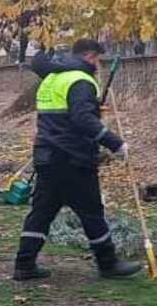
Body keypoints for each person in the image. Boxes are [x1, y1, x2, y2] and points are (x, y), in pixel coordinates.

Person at [13, 38, 142, 281]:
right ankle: (108, 264)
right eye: (98, 60)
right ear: (90, 56)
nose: (98, 65)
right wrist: (115, 144)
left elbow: (64, 115)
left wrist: (92, 111)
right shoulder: (81, 80)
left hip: (46, 156)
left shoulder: (52, 78)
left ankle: (24, 264)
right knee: (92, 212)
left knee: (41, 213)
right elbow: (82, 119)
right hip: (73, 158)